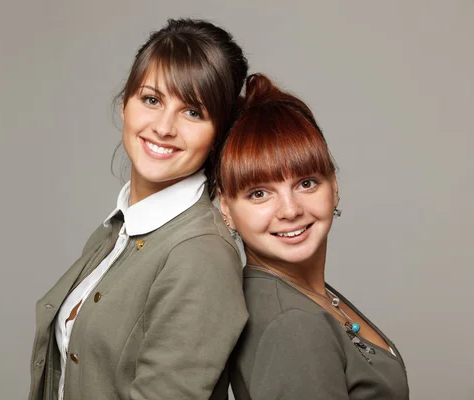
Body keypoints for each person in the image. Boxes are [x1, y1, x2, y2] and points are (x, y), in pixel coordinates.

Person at [28, 19, 249, 400]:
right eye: (152, 100)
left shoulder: (200, 255)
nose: (164, 127)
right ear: (125, 104)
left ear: (218, 135)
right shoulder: (118, 230)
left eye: (193, 112)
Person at [217, 74, 409, 399]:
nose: (290, 210)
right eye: (260, 193)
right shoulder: (292, 324)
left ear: (334, 186)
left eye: (306, 183)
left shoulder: (303, 293)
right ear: (226, 208)